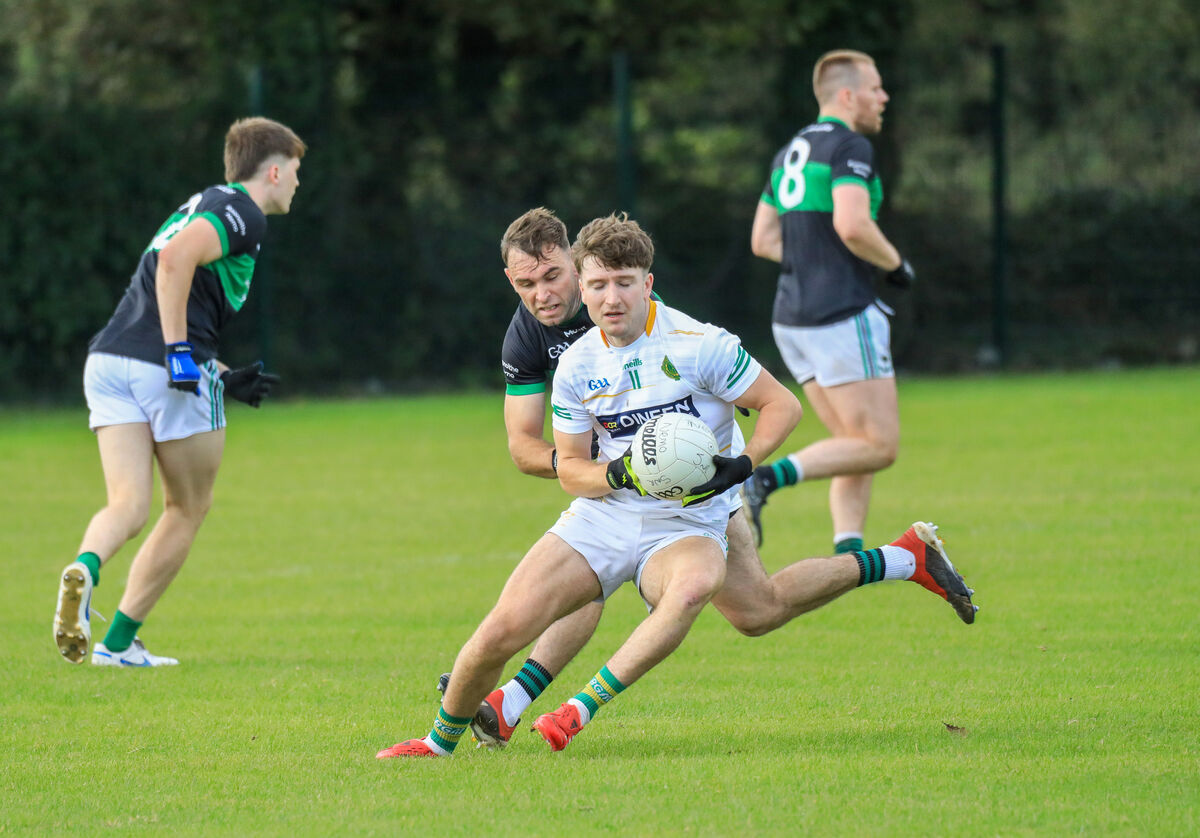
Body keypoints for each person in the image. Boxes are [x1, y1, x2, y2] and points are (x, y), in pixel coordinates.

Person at [379, 213, 976, 759]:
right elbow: (550, 459)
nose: (597, 297)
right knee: (507, 629)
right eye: (595, 286)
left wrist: (738, 467)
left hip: (696, 511)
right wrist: (616, 473)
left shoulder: (696, 343)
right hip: (607, 511)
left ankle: (567, 710)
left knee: (713, 597)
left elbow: (779, 406)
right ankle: (442, 741)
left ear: (644, 283)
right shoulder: (565, 358)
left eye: (618, 283)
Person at [52, 117, 305, 667]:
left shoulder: (202, 203)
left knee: (127, 503)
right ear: (275, 169)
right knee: (188, 507)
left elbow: (178, 293)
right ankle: (117, 644)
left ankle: (85, 568)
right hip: (162, 367)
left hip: (108, 360)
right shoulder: (244, 212)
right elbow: (174, 262)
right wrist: (178, 353)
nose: (297, 185)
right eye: (297, 172)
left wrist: (218, 372)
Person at [744, 49, 915, 554]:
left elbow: (762, 239)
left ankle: (849, 553)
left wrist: (811, 261)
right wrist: (895, 265)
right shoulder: (850, 146)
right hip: (840, 313)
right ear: (848, 95)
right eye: (876, 87)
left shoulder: (791, 151)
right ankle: (766, 479)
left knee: (851, 443)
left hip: (791, 318)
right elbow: (853, 224)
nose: (883, 97)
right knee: (879, 446)